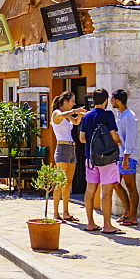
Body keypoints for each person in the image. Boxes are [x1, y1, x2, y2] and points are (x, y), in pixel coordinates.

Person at [80, 88, 124, 234]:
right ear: (106, 100)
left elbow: (82, 139)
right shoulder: (108, 115)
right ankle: (107, 225)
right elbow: (113, 135)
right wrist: (119, 143)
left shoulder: (87, 117)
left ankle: (90, 223)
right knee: (107, 192)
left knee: (90, 190)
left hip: (91, 158)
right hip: (108, 159)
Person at [50, 91, 86, 222]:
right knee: (60, 182)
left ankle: (66, 212)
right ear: (65, 102)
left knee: (68, 182)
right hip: (62, 148)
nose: (74, 103)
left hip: (72, 148)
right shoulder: (57, 113)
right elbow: (63, 114)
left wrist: (80, 115)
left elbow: (76, 122)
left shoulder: (68, 115)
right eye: (72, 101)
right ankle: (55, 213)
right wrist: (75, 110)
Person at [110, 89, 140, 226]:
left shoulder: (129, 116)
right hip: (120, 155)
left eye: (112, 99)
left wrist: (127, 157)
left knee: (130, 185)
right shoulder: (120, 115)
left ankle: (133, 216)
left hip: (128, 155)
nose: (111, 101)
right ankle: (127, 212)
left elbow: (131, 137)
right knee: (115, 183)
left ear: (118, 101)